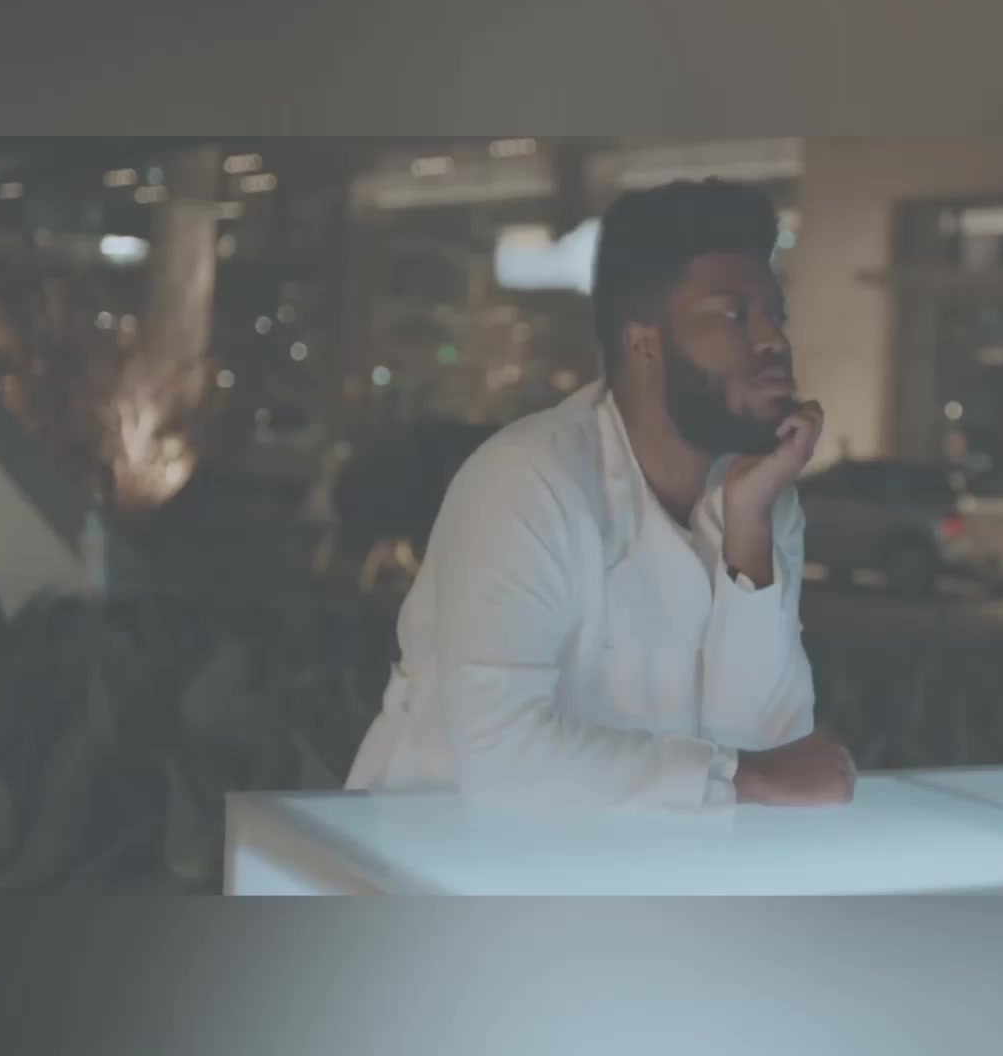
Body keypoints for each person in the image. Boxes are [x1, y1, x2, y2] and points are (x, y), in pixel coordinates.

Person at [345, 178, 857, 811]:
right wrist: (741, 779)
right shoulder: (526, 481)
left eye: (775, 315)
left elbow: (770, 746)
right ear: (643, 343)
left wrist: (747, 529)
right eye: (734, 314)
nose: (773, 339)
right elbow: (501, 759)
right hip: (427, 849)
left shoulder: (759, 494)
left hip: (618, 858)